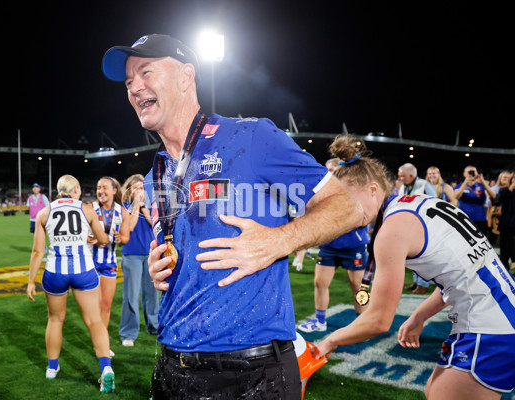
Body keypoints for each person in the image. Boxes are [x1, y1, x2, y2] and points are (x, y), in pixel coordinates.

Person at [102, 34, 362, 399]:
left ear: (185, 76)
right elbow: (178, 248)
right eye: (129, 82)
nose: (135, 87)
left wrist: (280, 240)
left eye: (145, 72)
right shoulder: (155, 173)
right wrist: (159, 263)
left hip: (253, 373)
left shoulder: (251, 137)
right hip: (172, 366)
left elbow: (347, 205)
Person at [313, 135, 515, 399]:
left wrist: (330, 341)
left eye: (347, 199)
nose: (343, 211)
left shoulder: (392, 230)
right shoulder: (420, 204)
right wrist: (419, 316)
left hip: (489, 328)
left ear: (374, 189)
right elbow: (458, 274)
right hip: (500, 316)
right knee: (434, 390)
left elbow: (378, 320)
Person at [25, 174, 115, 393]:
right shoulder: (86, 209)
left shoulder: (45, 213)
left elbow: (38, 251)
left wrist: (30, 282)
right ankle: (106, 368)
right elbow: (103, 240)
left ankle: (52, 368)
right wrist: (94, 238)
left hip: (55, 272)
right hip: (84, 271)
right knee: (95, 321)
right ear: (75, 189)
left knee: (55, 320)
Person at [298, 158, 370, 333]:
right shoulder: (321, 191)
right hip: (329, 246)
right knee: (319, 282)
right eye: (327, 169)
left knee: (358, 286)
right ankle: (320, 321)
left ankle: (363, 323)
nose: (329, 172)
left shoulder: (356, 190)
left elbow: (363, 218)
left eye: (333, 169)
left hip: (354, 247)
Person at [87, 176, 130, 352]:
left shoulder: (123, 212)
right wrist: (92, 239)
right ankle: (98, 342)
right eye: (98, 187)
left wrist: (121, 238)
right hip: (90, 263)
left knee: (105, 306)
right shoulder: (89, 208)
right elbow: (80, 234)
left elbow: (126, 238)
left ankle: (102, 345)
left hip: (110, 263)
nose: (100, 191)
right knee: (95, 307)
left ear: (114, 191)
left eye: (104, 187)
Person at [119, 174, 159, 347]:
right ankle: (128, 332)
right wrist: (136, 207)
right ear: (129, 190)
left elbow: (155, 224)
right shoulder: (124, 207)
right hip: (131, 254)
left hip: (150, 253)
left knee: (152, 294)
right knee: (131, 295)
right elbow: (129, 227)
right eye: (134, 187)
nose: (138, 190)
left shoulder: (152, 205)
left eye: (141, 187)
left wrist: (145, 209)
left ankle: (154, 326)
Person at [398, 163, 436, 294]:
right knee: (413, 256)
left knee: (423, 256)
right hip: (409, 226)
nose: (400, 179)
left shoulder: (425, 185)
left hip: (424, 226)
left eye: (402, 176)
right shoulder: (404, 186)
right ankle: (416, 281)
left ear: (411, 175)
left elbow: (435, 204)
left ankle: (423, 285)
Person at [454, 165, 496, 238]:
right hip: (464, 219)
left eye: (473, 171)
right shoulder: (459, 186)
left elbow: (493, 196)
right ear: (464, 174)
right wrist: (465, 182)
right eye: (469, 172)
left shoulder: (482, 186)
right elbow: (456, 197)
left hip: (480, 219)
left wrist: (483, 182)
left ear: (477, 173)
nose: (471, 173)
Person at [496, 172, 515, 271]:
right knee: (505, 249)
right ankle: (505, 269)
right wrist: (511, 187)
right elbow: (500, 199)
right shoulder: (504, 190)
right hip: (506, 224)